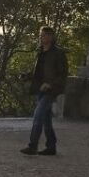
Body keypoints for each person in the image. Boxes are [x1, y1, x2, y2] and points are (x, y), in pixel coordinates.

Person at [20, 26, 68, 156]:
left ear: (51, 37)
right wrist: (28, 76)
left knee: (38, 115)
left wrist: (50, 84)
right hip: (40, 89)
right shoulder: (40, 52)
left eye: (44, 35)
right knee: (46, 119)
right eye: (41, 35)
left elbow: (62, 73)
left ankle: (32, 145)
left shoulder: (58, 53)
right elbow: (39, 72)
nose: (41, 37)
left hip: (51, 90)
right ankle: (51, 146)